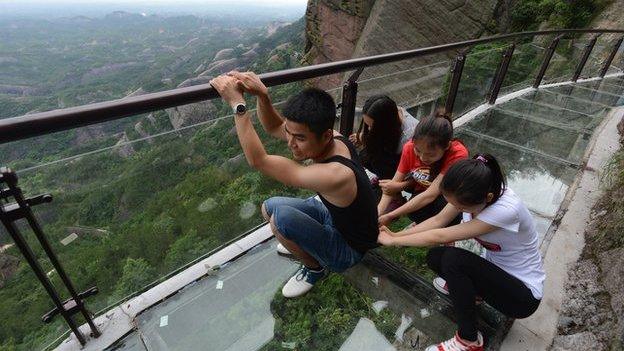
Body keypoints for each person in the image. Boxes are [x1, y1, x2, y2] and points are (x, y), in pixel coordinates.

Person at [210, 71, 379, 298]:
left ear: (326, 135)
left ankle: (314, 268)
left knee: (280, 222)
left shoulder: (335, 174)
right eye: (290, 134)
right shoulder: (333, 137)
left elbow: (258, 160)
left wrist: (237, 105)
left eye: (300, 138)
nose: (291, 143)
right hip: (336, 218)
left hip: (348, 248)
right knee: (269, 206)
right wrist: (263, 96)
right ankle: (304, 244)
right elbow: (273, 127)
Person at [377, 154, 545, 351]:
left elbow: (439, 235)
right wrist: (395, 236)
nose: (456, 209)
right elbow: (438, 221)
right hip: (497, 274)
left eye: (460, 207)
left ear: (488, 198)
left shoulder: (506, 210)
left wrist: (393, 242)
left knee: (453, 260)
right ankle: (471, 292)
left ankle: (469, 340)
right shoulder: (474, 191)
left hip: (522, 296)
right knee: (436, 257)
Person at [377, 109, 468, 226]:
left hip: (445, 196)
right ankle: (422, 224)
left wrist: (391, 215)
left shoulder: (458, 154)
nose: (422, 158)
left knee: (444, 207)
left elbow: (431, 194)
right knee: (414, 211)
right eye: (418, 151)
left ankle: (443, 230)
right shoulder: (409, 147)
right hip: (423, 190)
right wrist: (378, 212)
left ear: (447, 146)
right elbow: (391, 187)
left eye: (431, 154)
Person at [349, 95, 418, 181]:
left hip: (402, 170)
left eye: (372, 126)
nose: (369, 129)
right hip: (391, 151)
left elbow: (414, 171)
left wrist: (395, 185)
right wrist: (363, 136)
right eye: (368, 125)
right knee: (365, 156)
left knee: (374, 157)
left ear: (384, 124)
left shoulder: (411, 135)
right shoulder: (389, 111)